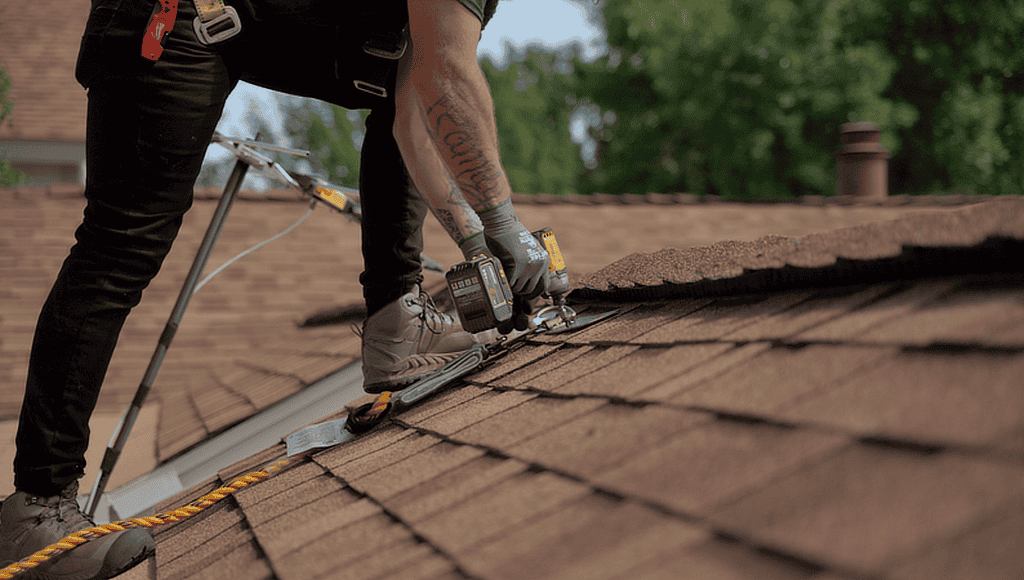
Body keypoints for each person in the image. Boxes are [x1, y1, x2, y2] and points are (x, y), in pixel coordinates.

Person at [0, 1, 547, 577]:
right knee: (121, 246)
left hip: (222, 26)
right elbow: (447, 79)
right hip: (169, 17)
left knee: (394, 88)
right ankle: (37, 508)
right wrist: (505, 224)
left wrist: (480, 242)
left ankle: (396, 324)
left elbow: (417, 117)